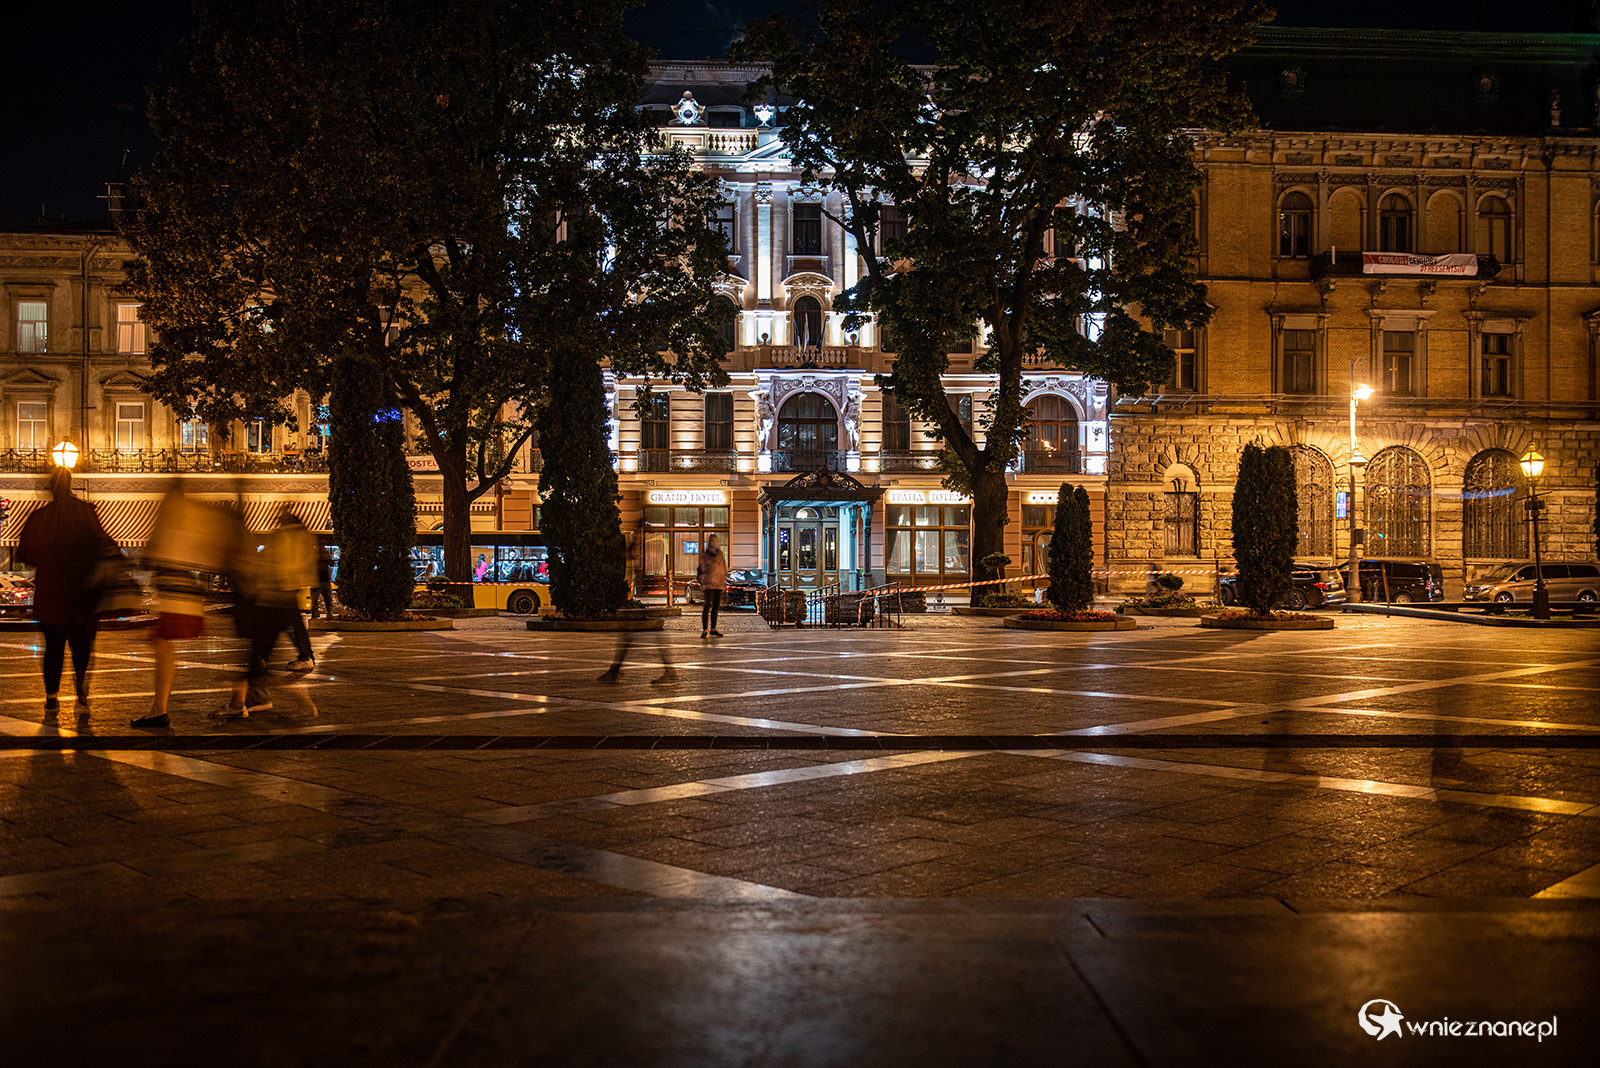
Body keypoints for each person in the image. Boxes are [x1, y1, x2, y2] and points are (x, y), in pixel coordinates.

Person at [132, 484, 234, 728]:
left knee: (162, 646)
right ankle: (159, 708)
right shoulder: (192, 516)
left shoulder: (174, 514)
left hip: (174, 593)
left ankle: (159, 710)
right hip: (182, 591)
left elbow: (156, 550)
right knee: (162, 645)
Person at [16, 468, 117, 713]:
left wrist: (48, 558)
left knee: (53, 647)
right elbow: (103, 543)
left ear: (51, 488)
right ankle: (80, 683)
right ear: (71, 485)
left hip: (53, 592)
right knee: (82, 644)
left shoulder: (41, 517)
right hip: (83, 591)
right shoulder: (86, 513)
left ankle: (52, 695)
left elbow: (25, 553)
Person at [697, 533, 729, 639]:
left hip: (719, 583)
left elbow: (724, 567)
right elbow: (703, 568)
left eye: (716, 541)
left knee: (715, 607)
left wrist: (724, 577)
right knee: (707, 605)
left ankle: (713, 628)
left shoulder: (720, 554)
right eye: (713, 541)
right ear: (710, 542)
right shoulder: (706, 555)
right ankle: (705, 629)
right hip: (709, 583)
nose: (715, 543)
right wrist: (712, 562)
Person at [308, 542, 334, 619]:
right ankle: (329, 615)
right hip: (322, 581)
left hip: (317, 581)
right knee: (328, 600)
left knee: (315, 601)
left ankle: (316, 616)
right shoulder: (318, 554)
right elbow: (332, 563)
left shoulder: (313, 554)